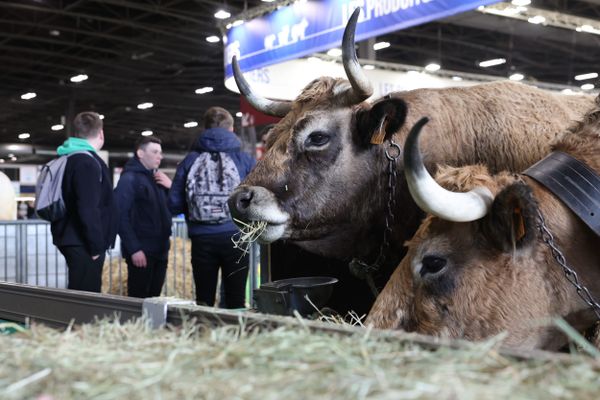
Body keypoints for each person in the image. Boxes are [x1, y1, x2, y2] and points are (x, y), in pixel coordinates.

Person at [169, 106, 255, 308]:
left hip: (202, 239)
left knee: (204, 298)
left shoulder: (190, 160)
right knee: (236, 298)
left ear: (204, 128)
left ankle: (204, 333)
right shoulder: (244, 160)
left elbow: (173, 204)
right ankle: (235, 335)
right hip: (236, 238)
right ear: (231, 129)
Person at [51, 111, 118, 293]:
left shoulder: (67, 157)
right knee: (86, 296)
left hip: (70, 236)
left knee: (79, 291)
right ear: (101, 133)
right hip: (84, 242)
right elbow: (88, 208)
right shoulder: (86, 163)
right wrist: (96, 246)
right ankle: (77, 322)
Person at [114, 137, 172, 298]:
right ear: (140, 153)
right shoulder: (129, 179)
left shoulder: (158, 179)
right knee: (139, 299)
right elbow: (120, 215)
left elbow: (172, 208)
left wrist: (171, 187)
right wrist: (134, 249)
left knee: (154, 299)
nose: (159, 156)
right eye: (154, 152)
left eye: (160, 152)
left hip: (160, 250)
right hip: (142, 252)